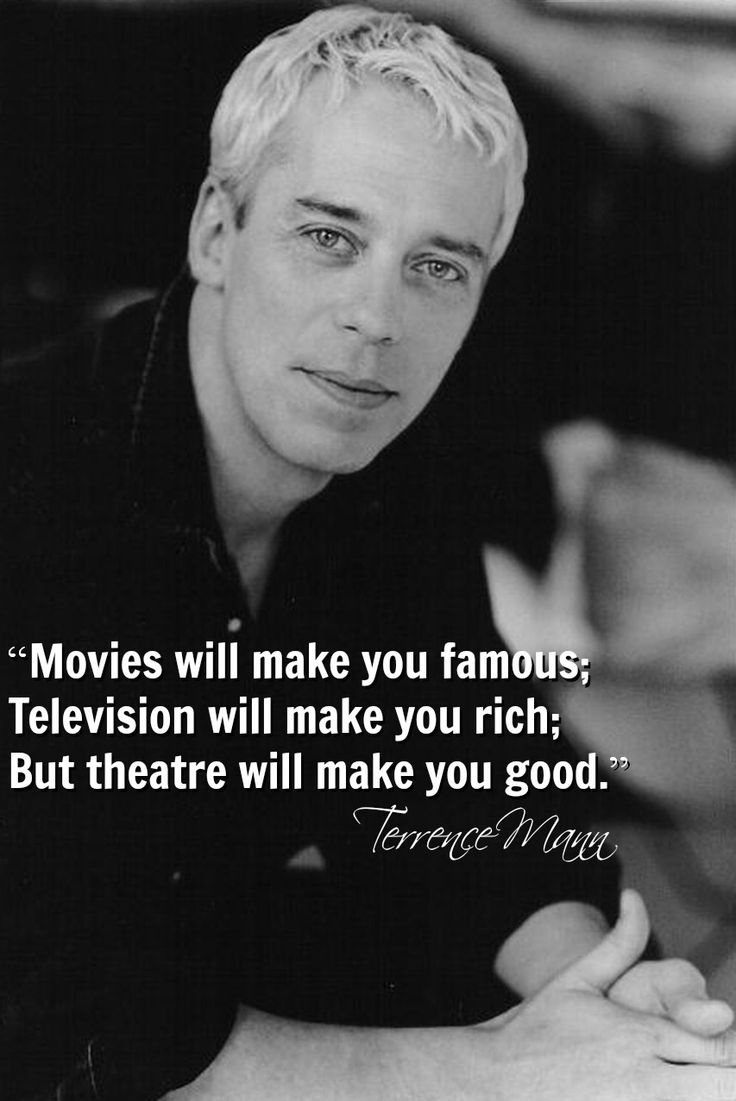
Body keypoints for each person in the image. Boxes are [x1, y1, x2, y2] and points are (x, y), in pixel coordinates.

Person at [2, 8, 735, 1101]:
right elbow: (60, 1021)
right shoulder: (40, 491)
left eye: (438, 267)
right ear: (215, 232)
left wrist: (602, 994)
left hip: (171, 962)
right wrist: (500, 1071)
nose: (376, 317)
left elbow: (463, 784)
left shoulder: (393, 462)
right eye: (329, 238)